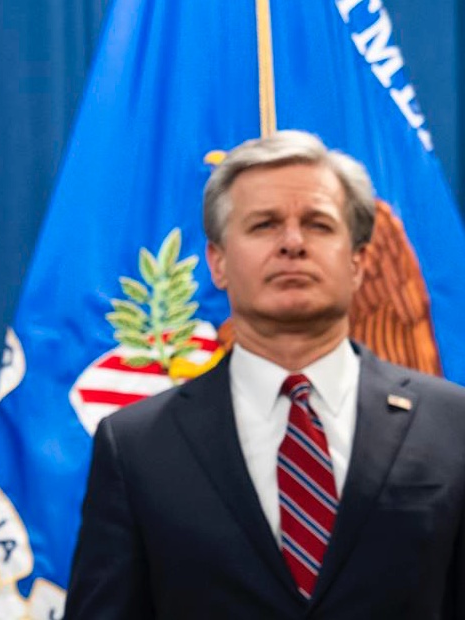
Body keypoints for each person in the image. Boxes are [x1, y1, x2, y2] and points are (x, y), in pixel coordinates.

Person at [65, 130, 465, 618]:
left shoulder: (452, 425)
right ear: (217, 263)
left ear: (359, 262)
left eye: (318, 224)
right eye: (264, 225)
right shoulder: (135, 447)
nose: (292, 243)